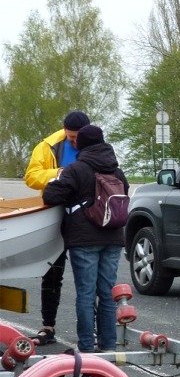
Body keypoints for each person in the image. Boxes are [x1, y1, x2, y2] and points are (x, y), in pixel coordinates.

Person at [41, 124, 128, 353]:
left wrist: (55, 180)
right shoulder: (117, 171)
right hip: (113, 237)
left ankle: (87, 347)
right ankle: (108, 346)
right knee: (107, 294)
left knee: (86, 295)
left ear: (82, 144)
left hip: (84, 240)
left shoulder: (76, 169)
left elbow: (51, 196)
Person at [24, 110, 91, 345]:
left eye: (77, 137)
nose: (74, 141)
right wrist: (58, 173)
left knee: (87, 277)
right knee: (52, 273)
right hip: (55, 216)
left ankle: (90, 329)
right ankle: (48, 326)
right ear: (64, 130)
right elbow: (31, 177)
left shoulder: (93, 143)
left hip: (86, 218)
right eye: (70, 137)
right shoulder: (49, 146)